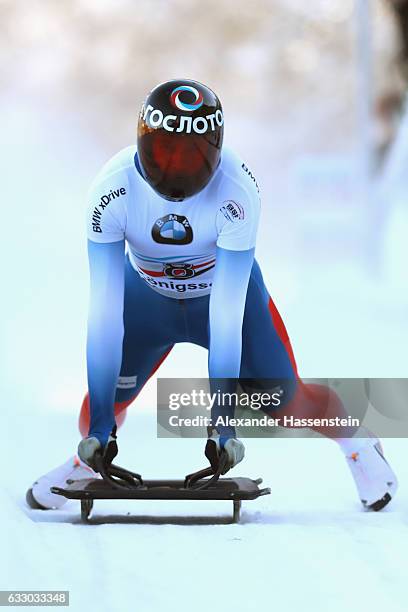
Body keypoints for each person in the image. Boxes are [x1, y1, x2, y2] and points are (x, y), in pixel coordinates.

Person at [27, 79, 398, 512]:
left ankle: (357, 442)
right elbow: (106, 312)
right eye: (164, 154)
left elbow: (226, 317)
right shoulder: (111, 190)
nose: (175, 172)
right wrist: (101, 430)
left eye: (193, 157)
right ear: (141, 145)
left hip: (222, 301)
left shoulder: (238, 191)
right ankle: (85, 461)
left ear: (217, 152)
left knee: (288, 405)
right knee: (96, 409)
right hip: (147, 302)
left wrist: (223, 426)